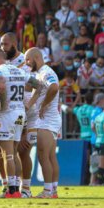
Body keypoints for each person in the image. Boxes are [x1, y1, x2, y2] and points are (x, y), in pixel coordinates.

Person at [0, 46, 42, 198]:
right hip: (20, 113)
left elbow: (2, 86)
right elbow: (40, 85)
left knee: (8, 154)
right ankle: (17, 189)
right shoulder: (20, 71)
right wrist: (29, 104)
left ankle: (11, 191)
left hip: (7, 114)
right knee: (15, 152)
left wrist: (3, 105)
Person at [26, 46, 61, 198]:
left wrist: (45, 104)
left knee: (43, 155)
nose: (27, 63)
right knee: (51, 156)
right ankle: (53, 190)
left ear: (36, 58)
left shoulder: (46, 72)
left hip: (47, 120)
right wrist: (28, 106)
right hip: (51, 119)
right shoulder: (40, 74)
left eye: (28, 59)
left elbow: (54, 87)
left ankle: (47, 191)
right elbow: (38, 90)